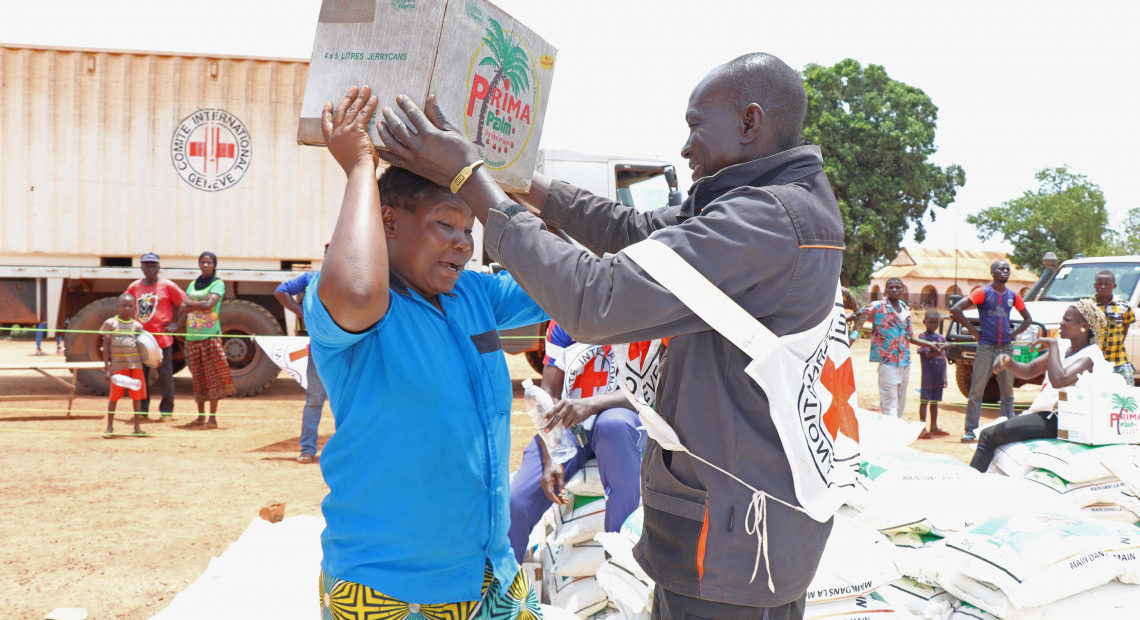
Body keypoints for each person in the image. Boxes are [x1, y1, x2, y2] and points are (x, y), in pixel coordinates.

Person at [376, 51, 845, 617]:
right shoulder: (758, 206)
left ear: (749, 123)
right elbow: (632, 230)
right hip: (735, 527)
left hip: (735, 543)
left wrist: (470, 180)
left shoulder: (766, 222)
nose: (685, 147)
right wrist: (511, 176)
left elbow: (595, 301)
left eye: (696, 126)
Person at [303, 86, 547, 618]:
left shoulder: (476, 297)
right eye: (445, 224)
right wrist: (360, 167)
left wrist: (490, 176)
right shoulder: (356, 311)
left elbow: (561, 273)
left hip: (492, 574)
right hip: (393, 591)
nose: (463, 242)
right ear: (387, 220)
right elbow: (359, 290)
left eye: (468, 229)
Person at [507, 322, 661, 563]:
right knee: (517, 500)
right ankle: (500, 587)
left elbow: (647, 392)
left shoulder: (642, 310)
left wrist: (590, 404)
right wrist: (551, 454)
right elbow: (549, 392)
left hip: (620, 419)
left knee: (614, 425)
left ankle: (618, 564)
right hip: (568, 425)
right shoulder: (565, 318)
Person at [968, 299, 1111, 472]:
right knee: (994, 434)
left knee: (988, 435)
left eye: (1067, 320)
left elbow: (1059, 380)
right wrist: (1008, 362)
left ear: (1084, 326)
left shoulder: (1090, 356)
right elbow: (1029, 370)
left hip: (1061, 418)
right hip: (1046, 414)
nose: (1061, 322)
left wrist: (1052, 345)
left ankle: (971, 483)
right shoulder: (1064, 346)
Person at [950, 260, 1034, 443]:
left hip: (1006, 349)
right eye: (1001, 269)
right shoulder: (982, 293)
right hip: (986, 347)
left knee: (1007, 391)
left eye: (1007, 269)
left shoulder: (1012, 295)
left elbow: (1028, 319)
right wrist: (973, 331)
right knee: (976, 390)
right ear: (992, 272)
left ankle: (1007, 429)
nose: (1005, 271)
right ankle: (971, 430)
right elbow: (956, 309)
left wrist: (1013, 334)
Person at [274, 265, 326, 464]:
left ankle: (314, 450)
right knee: (315, 401)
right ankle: (308, 449)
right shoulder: (313, 278)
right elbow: (280, 291)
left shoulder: (344, 278)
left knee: (329, 403)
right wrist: (302, 313)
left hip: (342, 352)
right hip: (321, 351)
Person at [853, 277, 926, 418]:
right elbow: (858, 315)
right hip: (888, 363)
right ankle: (889, 435)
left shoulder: (905, 308)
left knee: (900, 405)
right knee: (889, 405)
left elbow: (909, 337)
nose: (894, 289)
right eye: (890, 287)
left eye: (897, 287)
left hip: (905, 362)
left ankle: (895, 436)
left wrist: (931, 345)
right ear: (885, 290)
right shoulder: (878, 307)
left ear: (902, 290)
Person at [177, 251, 235, 429]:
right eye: (202, 262)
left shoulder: (218, 284)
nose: (205, 265)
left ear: (214, 265)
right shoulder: (193, 284)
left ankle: (212, 418)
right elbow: (181, 308)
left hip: (209, 335)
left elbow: (209, 305)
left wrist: (192, 304)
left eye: (209, 262)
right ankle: (200, 417)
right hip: (192, 336)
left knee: (213, 377)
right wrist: (200, 304)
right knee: (198, 377)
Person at [126, 252, 186, 421]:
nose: (150, 268)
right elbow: (126, 304)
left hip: (162, 341)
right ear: (142, 267)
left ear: (158, 267)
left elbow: (184, 303)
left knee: (165, 377)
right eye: (146, 265)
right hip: (141, 340)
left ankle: (166, 411)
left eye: (153, 265)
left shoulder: (167, 286)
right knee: (140, 377)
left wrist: (177, 324)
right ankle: (142, 410)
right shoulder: (135, 286)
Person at [100, 293, 147, 437]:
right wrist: (107, 368)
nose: (127, 308)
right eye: (123, 305)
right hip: (118, 367)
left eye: (130, 306)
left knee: (137, 397)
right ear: (118, 306)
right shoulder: (110, 323)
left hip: (136, 366)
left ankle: (137, 427)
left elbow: (144, 347)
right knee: (114, 397)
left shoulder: (138, 326)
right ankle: (109, 427)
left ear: (134, 308)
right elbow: (106, 347)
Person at [1093, 269, 1135, 385]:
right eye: (1099, 284)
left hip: (1119, 359)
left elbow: (1125, 329)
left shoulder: (1124, 306)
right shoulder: (1087, 306)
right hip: (1094, 361)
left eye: (1107, 284)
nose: (1103, 287)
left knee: (1127, 393)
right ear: (1095, 286)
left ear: (1114, 286)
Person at [915, 309, 949, 438]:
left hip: (939, 376)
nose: (933, 325)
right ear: (924, 322)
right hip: (928, 377)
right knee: (924, 401)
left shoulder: (941, 338)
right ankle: (922, 427)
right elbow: (928, 355)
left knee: (935, 402)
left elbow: (945, 360)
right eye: (930, 322)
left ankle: (934, 426)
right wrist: (942, 348)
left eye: (936, 323)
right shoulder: (923, 337)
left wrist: (944, 378)